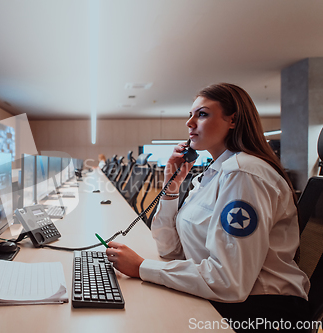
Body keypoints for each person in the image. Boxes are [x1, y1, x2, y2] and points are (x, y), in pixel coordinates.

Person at [106, 83, 310, 331]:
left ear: (232, 120)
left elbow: (229, 281)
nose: (190, 123)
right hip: (229, 297)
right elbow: (171, 250)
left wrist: (141, 267)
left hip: (264, 311)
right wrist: (172, 186)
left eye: (201, 114)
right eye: (190, 115)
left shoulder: (243, 174)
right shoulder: (210, 176)